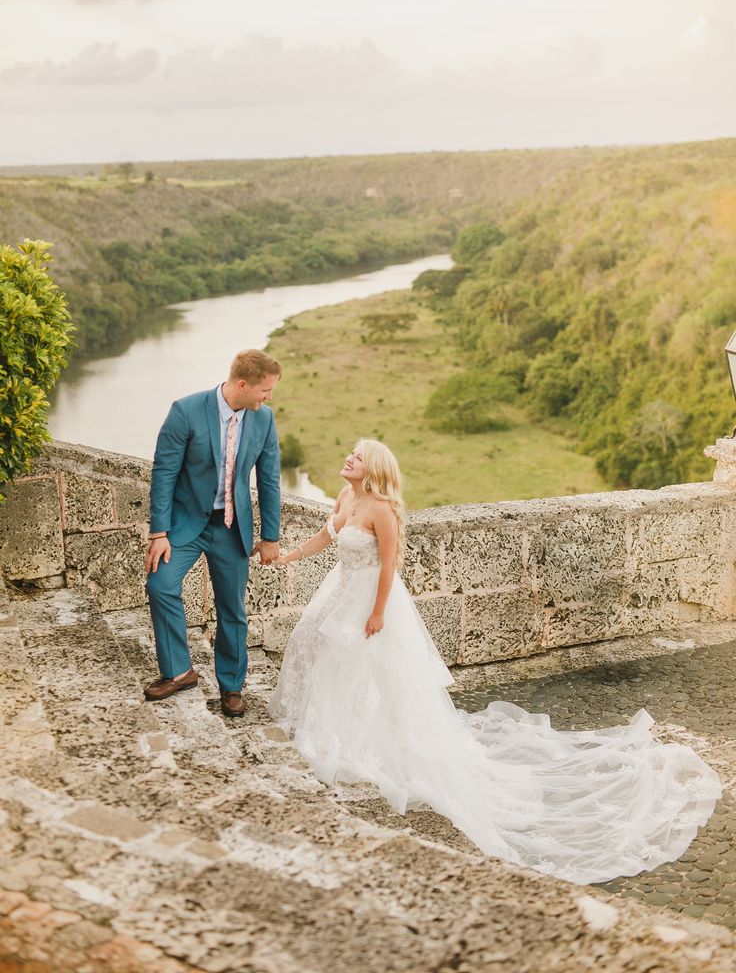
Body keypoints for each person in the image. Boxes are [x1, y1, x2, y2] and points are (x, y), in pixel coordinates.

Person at [269, 438, 722, 885]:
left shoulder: (382, 510)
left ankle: (379, 745)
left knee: (376, 676)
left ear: (374, 469)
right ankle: (339, 731)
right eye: (350, 453)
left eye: (357, 456)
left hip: (370, 598)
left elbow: (389, 565)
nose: (348, 458)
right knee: (329, 662)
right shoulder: (347, 496)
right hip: (340, 591)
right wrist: (285, 557)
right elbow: (323, 537)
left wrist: (377, 613)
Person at [144, 349, 281, 717]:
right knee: (160, 585)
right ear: (242, 384)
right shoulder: (186, 411)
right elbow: (164, 474)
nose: (268, 397)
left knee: (232, 609)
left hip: (231, 529)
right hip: (185, 525)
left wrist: (270, 536)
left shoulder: (264, 420)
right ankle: (179, 671)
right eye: (264, 390)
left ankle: (232, 686)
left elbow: (268, 480)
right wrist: (159, 532)